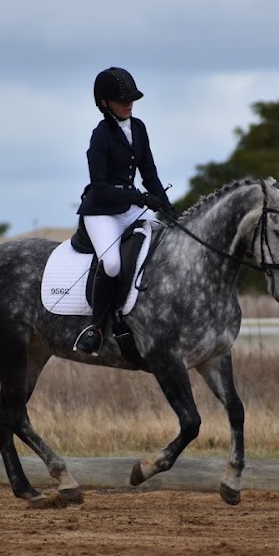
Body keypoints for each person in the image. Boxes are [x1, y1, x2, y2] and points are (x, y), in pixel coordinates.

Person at [73, 66, 175, 355]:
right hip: (101, 212)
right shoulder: (100, 136)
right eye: (122, 100)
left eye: (131, 99)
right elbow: (101, 186)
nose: (129, 104)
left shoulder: (139, 128)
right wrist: (140, 198)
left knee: (166, 245)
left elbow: (150, 174)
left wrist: (168, 210)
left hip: (131, 208)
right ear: (105, 104)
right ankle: (95, 328)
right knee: (113, 265)